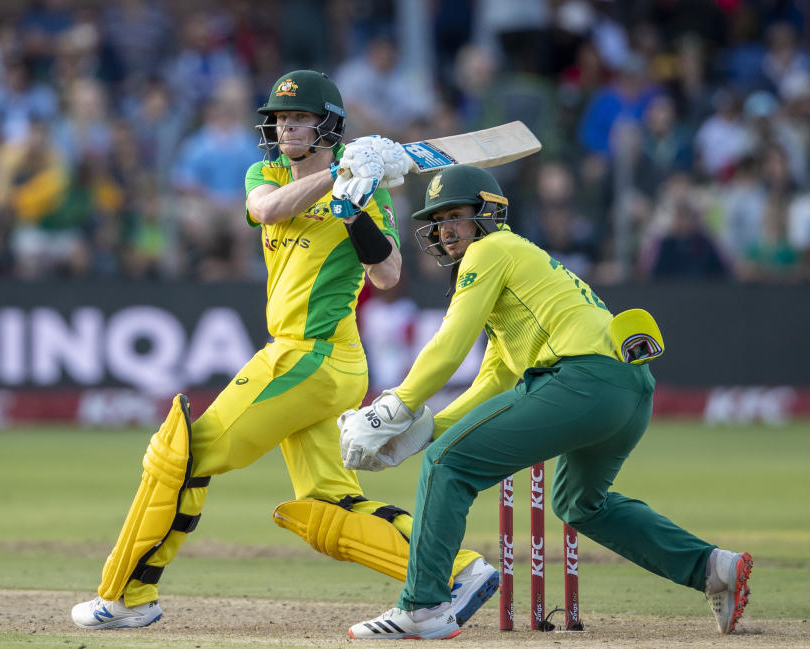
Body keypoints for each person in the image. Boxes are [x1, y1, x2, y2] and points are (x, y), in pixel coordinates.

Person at [70, 70, 499, 630]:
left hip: (315, 355)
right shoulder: (267, 172)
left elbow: (389, 273)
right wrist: (339, 178)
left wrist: (355, 205)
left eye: (298, 118)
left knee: (183, 455)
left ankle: (126, 597)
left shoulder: (362, 188)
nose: (285, 127)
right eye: (278, 118)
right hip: (312, 361)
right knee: (327, 508)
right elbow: (268, 210)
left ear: (328, 125)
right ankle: (458, 572)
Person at [341, 164, 753, 640]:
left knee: (446, 465)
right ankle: (711, 568)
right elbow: (495, 377)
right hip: (628, 388)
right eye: (437, 220)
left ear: (488, 215)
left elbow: (450, 342)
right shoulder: (515, 265)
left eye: (456, 215)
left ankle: (423, 606)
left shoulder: (490, 250)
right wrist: (429, 428)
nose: (445, 229)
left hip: (582, 379)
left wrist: (395, 406)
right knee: (579, 503)